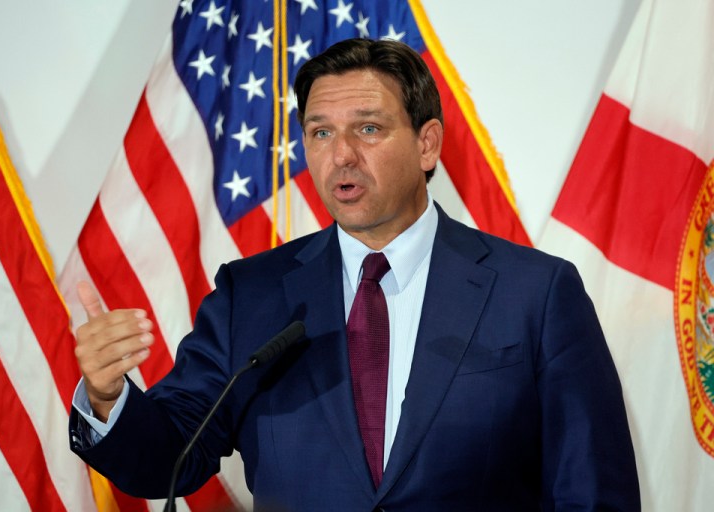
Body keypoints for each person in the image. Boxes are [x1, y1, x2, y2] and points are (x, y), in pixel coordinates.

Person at [70, 38, 640, 511]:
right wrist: (106, 396)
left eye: (367, 129)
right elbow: (171, 457)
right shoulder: (253, 296)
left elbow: (592, 492)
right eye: (320, 133)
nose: (340, 155)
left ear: (427, 143)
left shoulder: (535, 293)